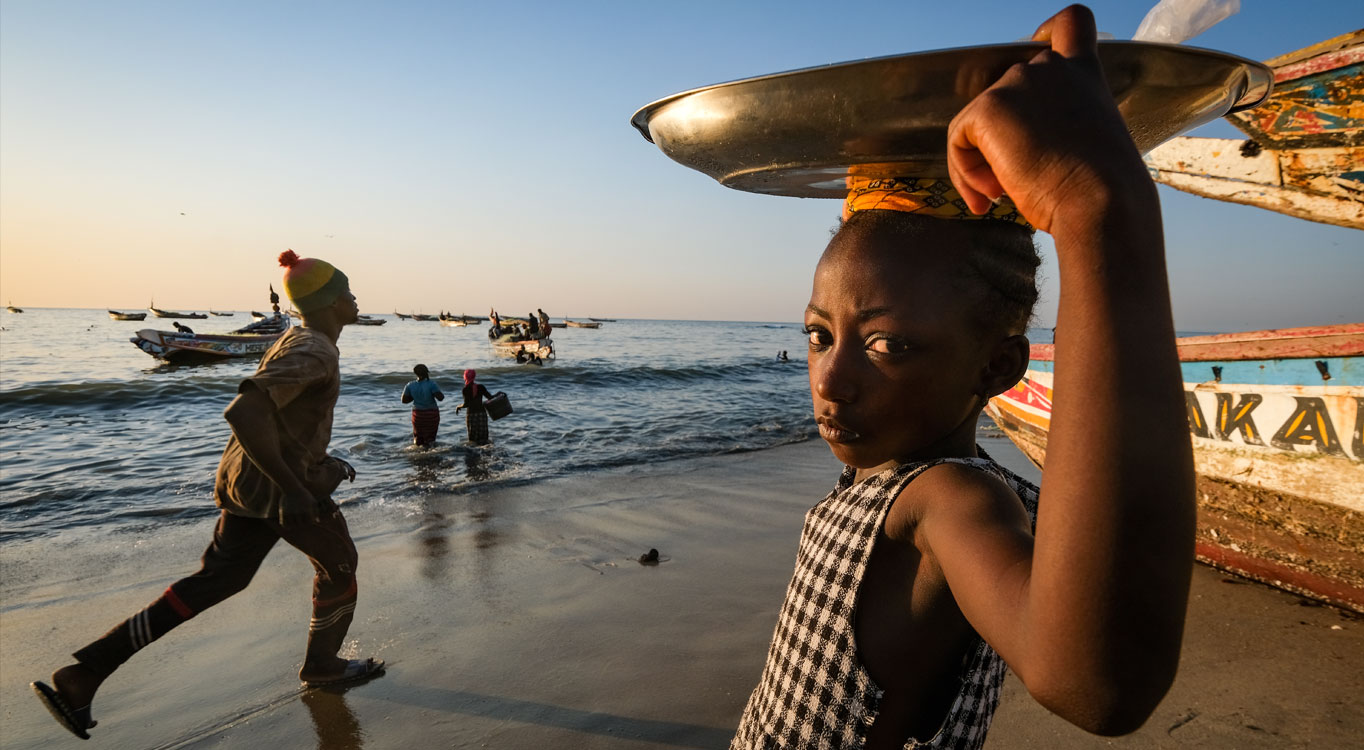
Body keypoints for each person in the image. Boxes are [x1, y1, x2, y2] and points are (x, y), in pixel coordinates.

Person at [727, 7, 1194, 749]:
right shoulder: (889, 481)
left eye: (887, 344)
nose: (831, 379)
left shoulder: (950, 502)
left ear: (998, 366)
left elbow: (1098, 685)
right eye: (819, 335)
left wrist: (1095, 208)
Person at [31, 250, 384, 741]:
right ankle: (323, 666)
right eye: (346, 290)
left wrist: (321, 463)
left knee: (219, 580)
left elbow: (277, 419)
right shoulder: (315, 350)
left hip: (249, 482)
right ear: (328, 302)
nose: (354, 297)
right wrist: (294, 488)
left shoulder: (301, 338)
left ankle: (84, 674)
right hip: (281, 491)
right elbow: (244, 412)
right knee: (339, 566)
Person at [401, 363, 445, 446]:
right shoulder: (432, 384)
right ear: (427, 372)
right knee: (431, 437)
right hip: (431, 414)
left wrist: (414, 397)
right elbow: (441, 398)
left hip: (418, 414)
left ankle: (418, 452)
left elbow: (404, 400)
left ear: (415, 373)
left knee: (418, 436)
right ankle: (430, 454)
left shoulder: (410, 385)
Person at [454, 369, 494, 445]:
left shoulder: (465, 389)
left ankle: (474, 453)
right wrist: (499, 394)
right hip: (482, 414)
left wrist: (458, 406)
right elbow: (490, 398)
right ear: (474, 376)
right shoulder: (481, 387)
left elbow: (466, 404)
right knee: (484, 437)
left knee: (473, 439)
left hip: (472, 415)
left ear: (465, 377)